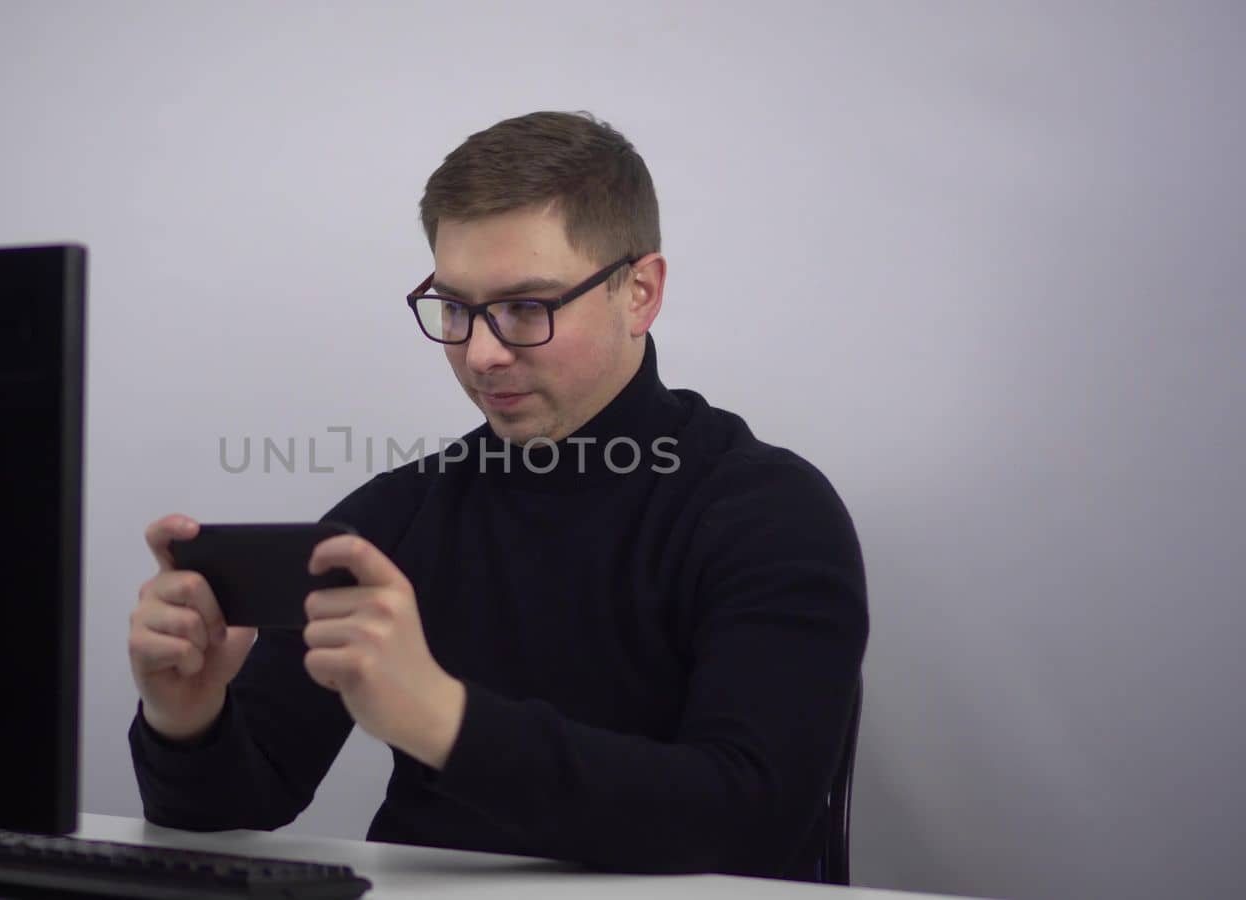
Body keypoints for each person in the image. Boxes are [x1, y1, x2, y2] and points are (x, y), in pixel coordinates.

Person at [127, 111, 868, 879]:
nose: (481, 353)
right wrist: (189, 720)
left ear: (640, 292)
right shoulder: (391, 520)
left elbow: (752, 824)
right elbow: (231, 811)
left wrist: (442, 720)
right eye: (455, 308)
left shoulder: (769, 513)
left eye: (527, 308)